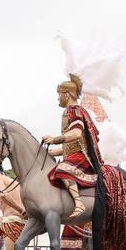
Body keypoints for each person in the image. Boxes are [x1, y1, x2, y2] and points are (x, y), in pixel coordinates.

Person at [42, 73, 101, 218]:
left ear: (66, 94)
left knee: (62, 168)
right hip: (74, 155)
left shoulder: (74, 110)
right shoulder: (69, 112)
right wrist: (48, 153)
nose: (58, 98)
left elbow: (76, 133)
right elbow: (68, 148)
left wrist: (54, 139)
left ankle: (79, 203)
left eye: (59, 94)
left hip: (82, 158)